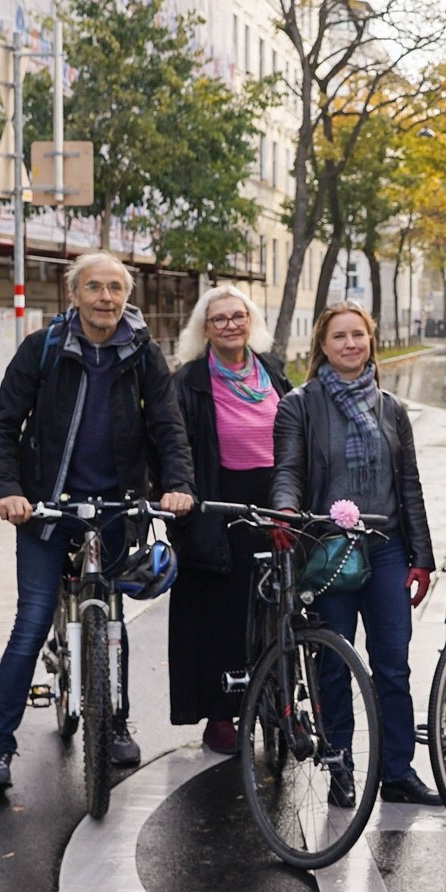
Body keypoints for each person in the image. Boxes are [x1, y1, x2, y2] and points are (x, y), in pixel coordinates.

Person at [0, 252, 195, 793]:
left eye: (115, 288)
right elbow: (2, 425)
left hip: (116, 508)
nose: (106, 298)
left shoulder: (144, 354)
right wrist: (7, 491)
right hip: (48, 509)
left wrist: (178, 486)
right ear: (74, 294)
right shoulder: (45, 347)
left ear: (127, 295)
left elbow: (169, 429)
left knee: (113, 619)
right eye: (94, 287)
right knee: (30, 625)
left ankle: (115, 720)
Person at [272, 303, 440, 806]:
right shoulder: (299, 405)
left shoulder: (392, 409)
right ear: (322, 345)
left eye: (358, 336)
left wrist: (423, 556)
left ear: (370, 340)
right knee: (334, 662)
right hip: (328, 551)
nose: (350, 344)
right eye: (339, 337)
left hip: (386, 549)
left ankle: (397, 771)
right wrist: (283, 509)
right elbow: (289, 470)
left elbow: (408, 486)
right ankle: (339, 763)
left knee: (393, 664)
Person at [166, 284, 292, 755]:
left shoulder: (272, 371)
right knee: (222, 613)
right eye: (218, 319)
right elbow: (172, 445)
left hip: (273, 498)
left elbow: (295, 427)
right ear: (204, 329)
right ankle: (221, 714)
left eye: (237, 316)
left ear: (250, 320)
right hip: (217, 502)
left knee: (275, 607)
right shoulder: (190, 380)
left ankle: (277, 700)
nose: (230, 325)